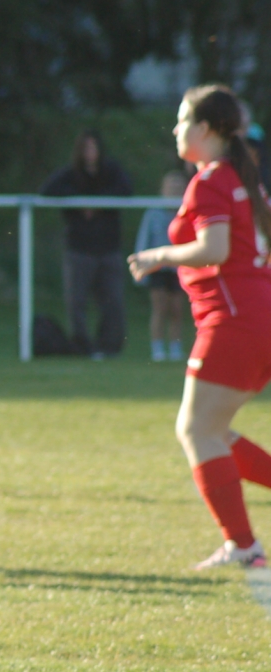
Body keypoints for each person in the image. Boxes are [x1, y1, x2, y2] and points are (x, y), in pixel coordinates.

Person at [128, 84, 271, 569]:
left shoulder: (211, 180)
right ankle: (241, 545)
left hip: (234, 322)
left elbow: (215, 249)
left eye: (182, 120)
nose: (175, 130)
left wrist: (158, 256)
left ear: (205, 129)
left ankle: (243, 546)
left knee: (196, 430)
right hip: (255, 318)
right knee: (213, 430)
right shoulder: (243, 179)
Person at [40, 130, 133, 357]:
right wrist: (78, 202)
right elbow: (47, 190)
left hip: (108, 247)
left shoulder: (111, 172)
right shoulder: (71, 174)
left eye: (94, 147)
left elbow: (126, 189)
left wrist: (99, 203)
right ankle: (81, 346)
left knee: (112, 300)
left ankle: (108, 346)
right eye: (86, 148)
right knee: (76, 301)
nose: (90, 153)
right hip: (79, 248)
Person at [133, 168, 189, 363]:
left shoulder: (187, 211)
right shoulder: (153, 212)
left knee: (177, 309)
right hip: (158, 268)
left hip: (179, 267)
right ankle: (157, 349)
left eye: (179, 187)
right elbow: (144, 239)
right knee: (160, 308)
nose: (174, 190)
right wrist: (141, 265)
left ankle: (175, 348)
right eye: (171, 186)